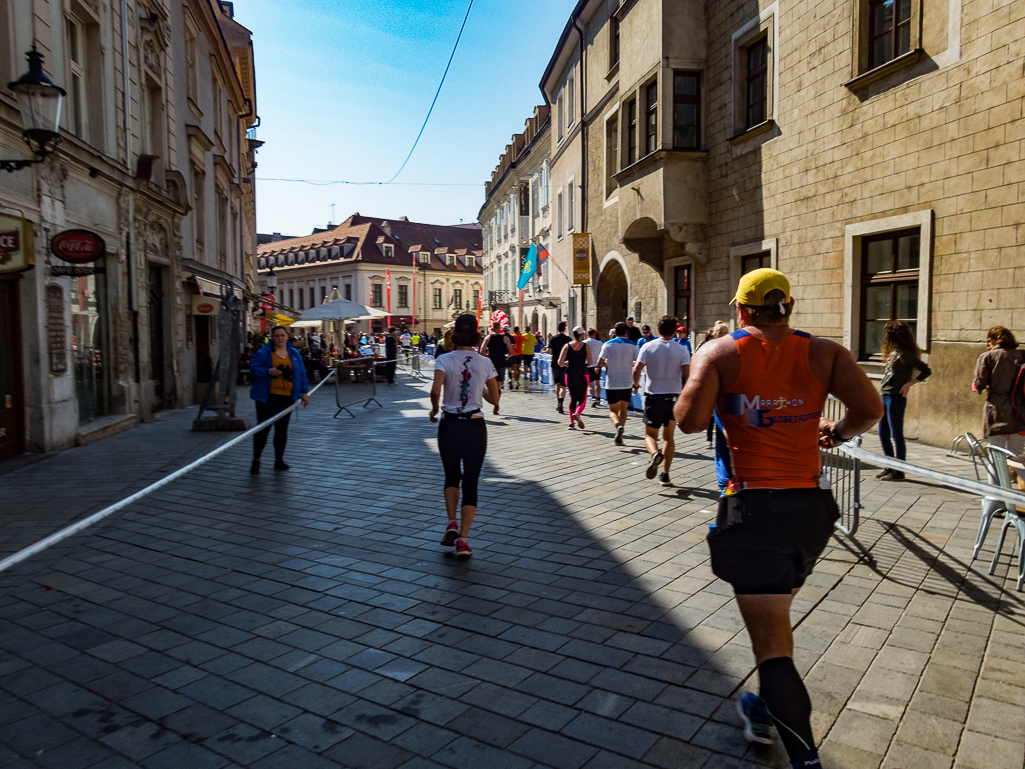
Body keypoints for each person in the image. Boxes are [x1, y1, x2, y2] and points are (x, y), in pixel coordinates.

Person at [674, 268, 882, 769]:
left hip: (755, 509)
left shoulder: (723, 351)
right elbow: (870, 408)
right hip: (810, 510)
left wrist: (709, 371)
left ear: (741, 310)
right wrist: (834, 431)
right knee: (777, 620)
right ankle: (767, 703)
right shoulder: (825, 352)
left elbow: (689, 421)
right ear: (787, 306)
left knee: (772, 649)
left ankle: (802, 756)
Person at [429, 314, 501, 559]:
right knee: (471, 481)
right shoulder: (484, 362)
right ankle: (463, 540)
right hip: (474, 426)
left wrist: (434, 408)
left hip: (449, 425)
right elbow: (494, 397)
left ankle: (451, 522)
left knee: (451, 476)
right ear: (476, 337)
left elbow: (435, 389)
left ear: (454, 335)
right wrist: (486, 395)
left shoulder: (444, 359)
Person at [633, 315, 690, 486]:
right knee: (669, 437)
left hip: (654, 396)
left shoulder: (648, 346)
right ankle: (665, 474)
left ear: (658, 330)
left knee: (650, 435)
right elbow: (689, 375)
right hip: (674, 397)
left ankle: (654, 454)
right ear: (674, 331)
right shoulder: (682, 350)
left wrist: (635, 385)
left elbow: (636, 369)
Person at [249, 326, 310, 475]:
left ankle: (279, 460)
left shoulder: (294, 353)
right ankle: (256, 460)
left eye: (282, 335)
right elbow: (254, 369)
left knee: (282, 430)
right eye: (277, 336)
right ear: (272, 337)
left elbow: (301, 373)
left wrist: (304, 392)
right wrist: (268, 371)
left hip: (287, 397)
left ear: (287, 336)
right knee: (263, 429)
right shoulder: (264, 353)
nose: (280, 338)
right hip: (267, 396)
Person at [877, 320, 932, 480]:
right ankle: (890, 465)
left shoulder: (907, 355)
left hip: (896, 398)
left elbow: (926, 370)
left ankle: (899, 470)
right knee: (883, 433)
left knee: (896, 434)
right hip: (885, 395)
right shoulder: (894, 354)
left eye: (888, 336)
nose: (886, 339)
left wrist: (910, 384)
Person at [973, 326, 1024, 459]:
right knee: (1017, 457)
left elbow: (980, 383)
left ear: (991, 340)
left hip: (997, 409)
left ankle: (996, 480)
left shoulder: (987, 357)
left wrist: (975, 385)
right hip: (1020, 410)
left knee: (997, 457)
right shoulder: (1022, 355)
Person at [597, 322, 639, 445]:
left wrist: (609, 364)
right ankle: (620, 431)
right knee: (623, 409)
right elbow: (638, 363)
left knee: (612, 411)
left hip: (612, 382)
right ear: (627, 332)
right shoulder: (633, 345)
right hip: (626, 381)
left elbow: (599, 362)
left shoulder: (608, 344)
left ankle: (617, 426)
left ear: (615, 332)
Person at [700, 323, 731, 448]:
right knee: (711, 415)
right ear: (714, 334)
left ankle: (725, 440)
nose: (722, 335)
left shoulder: (730, 348)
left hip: (726, 388)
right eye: (719, 332)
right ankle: (709, 439)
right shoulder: (708, 348)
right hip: (711, 387)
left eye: (725, 333)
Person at [558, 326, 593, 430]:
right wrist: (584, 362)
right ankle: (577, 413)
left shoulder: (567, 346)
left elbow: (560, 363)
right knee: (582, 399)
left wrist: (567, 363)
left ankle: (571, 423)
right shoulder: (585, 346)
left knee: (572, 398)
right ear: (582, 335)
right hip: (583, 373)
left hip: (570, 374)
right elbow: (590, 362)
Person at [547, 322, 572, 413]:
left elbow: (549, 351)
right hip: (565, 363)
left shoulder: (553, 339)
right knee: (563, 385)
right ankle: (561, 403)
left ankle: (558, 403)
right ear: (565, 328)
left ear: (557, 328)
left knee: (557, 384)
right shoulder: (568, 339)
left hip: (555, 363)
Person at [481, 322, 513, 391]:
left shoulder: (488, 338)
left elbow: (481, 352)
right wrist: (507, 356)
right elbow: (511, 352)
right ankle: (497, 399)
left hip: (491, 362)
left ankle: (493, 398)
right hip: (501, 362)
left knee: (492, 383)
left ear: (492, 328)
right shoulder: (505, 338)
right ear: (500, 328)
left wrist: (487, 357)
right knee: (499, 385)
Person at [585, 329, 604, 407]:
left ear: (587, 334)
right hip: (597, 364)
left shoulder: (584, 343)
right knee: (597, 382)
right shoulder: (600, 343)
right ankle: (598, 399)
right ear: (595, 335)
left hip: (589, 364)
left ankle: (593, 398)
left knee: (590, 383)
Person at [509, 325, 526, 390]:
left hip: (513, 354)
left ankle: (514, 381)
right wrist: (521, 334)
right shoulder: (521, 336)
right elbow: (526, 340)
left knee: (514, 369)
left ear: (513, 330)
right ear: (518, 330)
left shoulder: (512, 336)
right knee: (518, 368)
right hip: (520, 353)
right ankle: (517, 381)